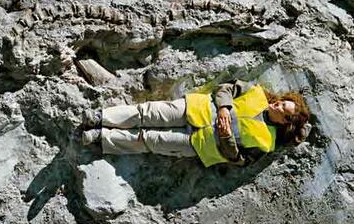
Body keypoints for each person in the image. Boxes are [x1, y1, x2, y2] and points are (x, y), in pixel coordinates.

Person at [76, 80, 311, 167]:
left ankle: (101, 138)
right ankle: (101, 117)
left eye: (283, 110)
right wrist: (224, 108)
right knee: (146, 112)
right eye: (281, 102)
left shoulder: (266, 143)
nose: (277, 106)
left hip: (198, 145)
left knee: (148, 139)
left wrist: (227, 137)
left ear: (285, 123)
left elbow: (238, 160)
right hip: (195, 108)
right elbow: (225, 88)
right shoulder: (256, 92)